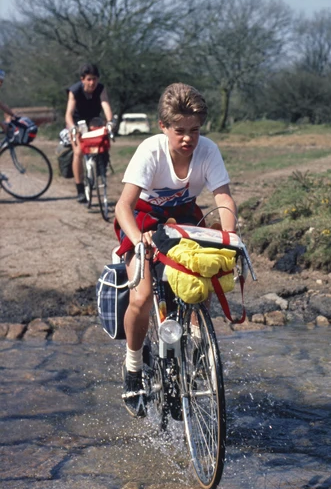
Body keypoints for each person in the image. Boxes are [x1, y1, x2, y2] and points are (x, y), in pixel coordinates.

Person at [114, 82, 237, 417]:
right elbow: (122, 207)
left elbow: (222, 198)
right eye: (180, 130)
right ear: (163, 127)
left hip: (183, 219)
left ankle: (194, 346)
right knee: (141, 295)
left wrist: (229, 238)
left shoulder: (208, 150)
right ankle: (134, 365)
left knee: (203, 273)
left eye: (195, 130)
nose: (188, 139)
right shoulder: (150, 151)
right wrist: (139, 241)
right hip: (143, 219)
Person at [65, 63, 113, 203]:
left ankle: (101, 166)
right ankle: (80, 188)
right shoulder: (75, 91)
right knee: (78, 152)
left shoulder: (100, 89)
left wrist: (110, 121)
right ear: (83, 79)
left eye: (95, 79)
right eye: (89, 79)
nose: (92, 83)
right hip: (77, 122)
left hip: (94, 120)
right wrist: (72, 127)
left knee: (103, 139)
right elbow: (68, 114)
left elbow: (105, 105)